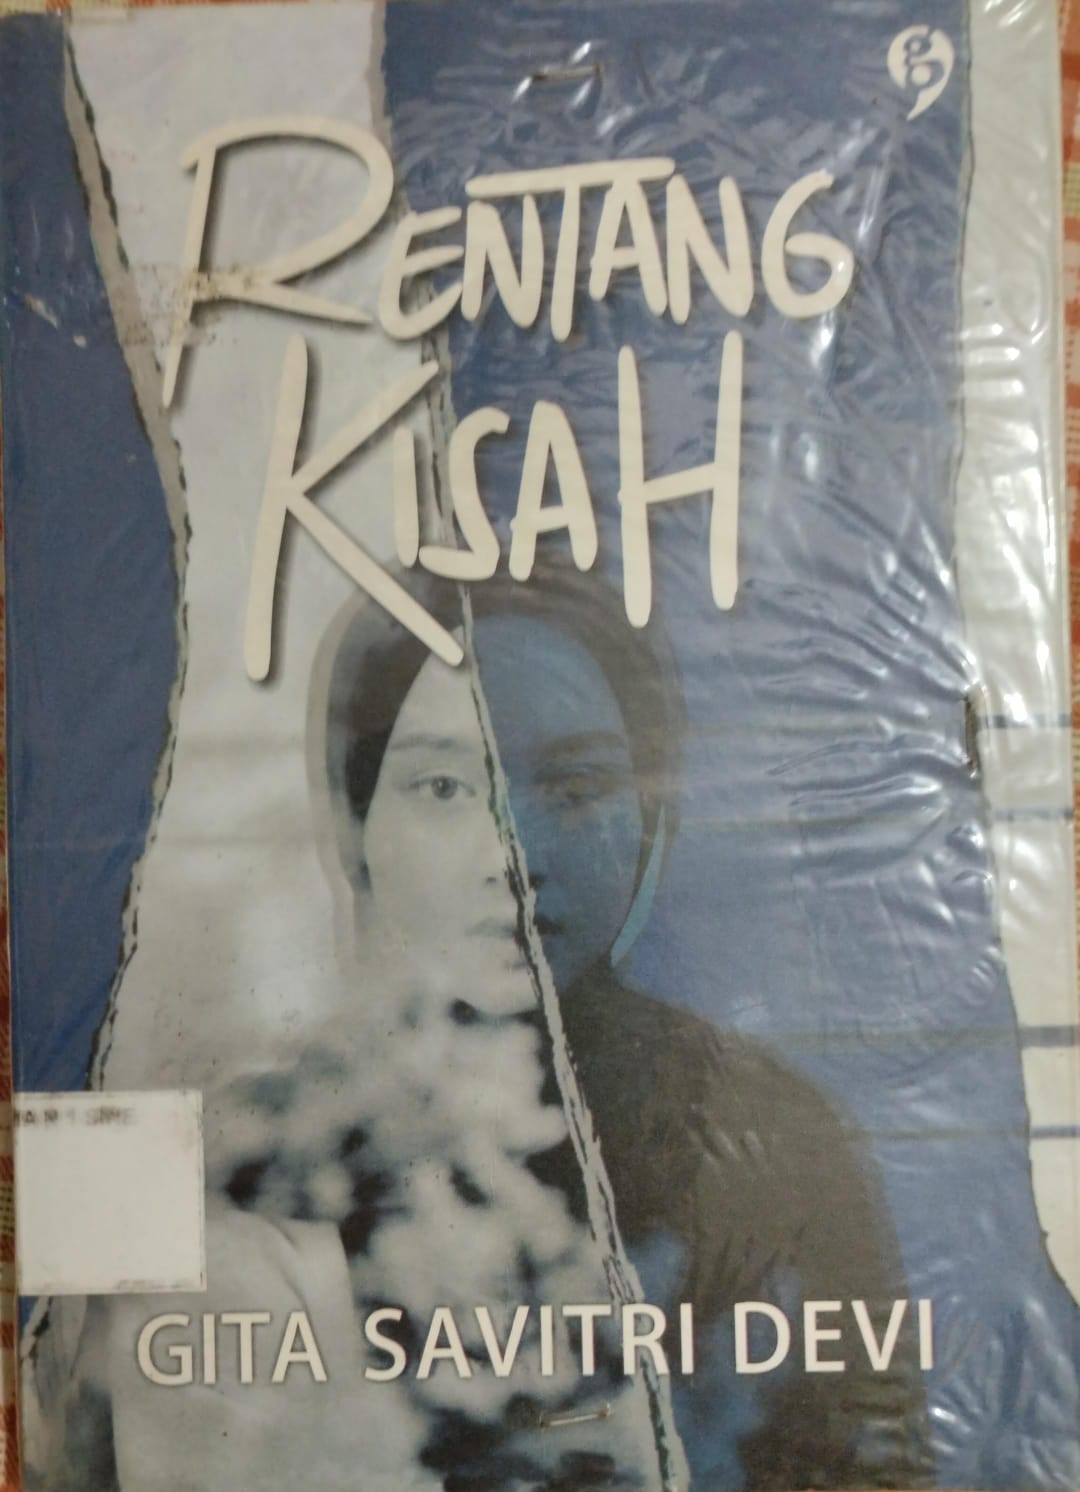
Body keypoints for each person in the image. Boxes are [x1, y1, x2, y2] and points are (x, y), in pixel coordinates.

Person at [317, 560, 933, 1490]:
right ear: (356, 825)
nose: (514, 853)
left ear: (653, 818)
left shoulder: (775, 1138)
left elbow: (874, 1465)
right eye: (444, 787)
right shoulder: (271, 1169)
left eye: (576, 790)